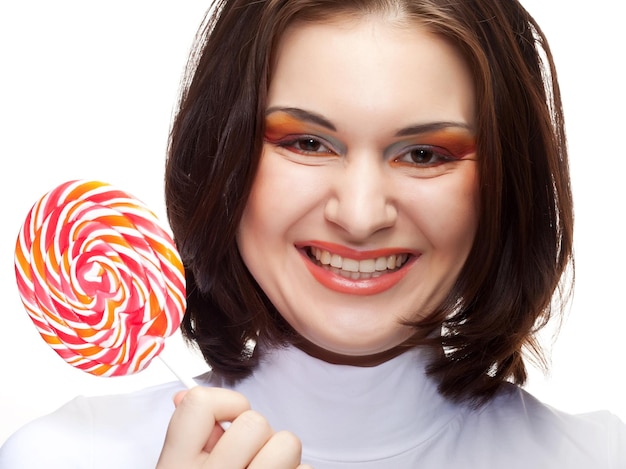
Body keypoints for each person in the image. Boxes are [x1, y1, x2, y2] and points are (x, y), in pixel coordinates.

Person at [1, 0, 625, 467]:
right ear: (225, 159)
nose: (359, 216)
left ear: (505, 183)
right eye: (306, 142)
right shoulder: (62, 456)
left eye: (425, 154)